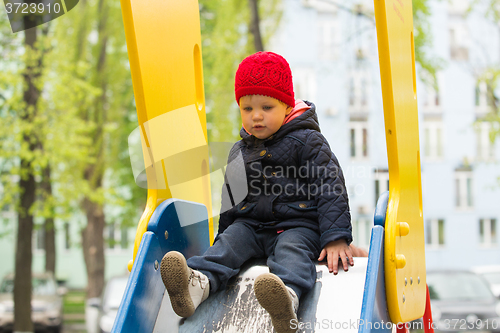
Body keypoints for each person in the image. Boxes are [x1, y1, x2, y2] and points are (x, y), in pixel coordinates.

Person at [161, 51, 355, 333]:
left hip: (298, 225)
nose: (256, 117)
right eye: (248, 108)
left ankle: (285, 299)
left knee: (291, 251)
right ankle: (195, 286)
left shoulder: (308, 141)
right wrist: (221, 237)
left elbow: (329, 186)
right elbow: (231, 199)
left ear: (288, 106)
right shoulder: (240, 149)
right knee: (229, 244)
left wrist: (336, 237)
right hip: (251, 226)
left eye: (267, 107)